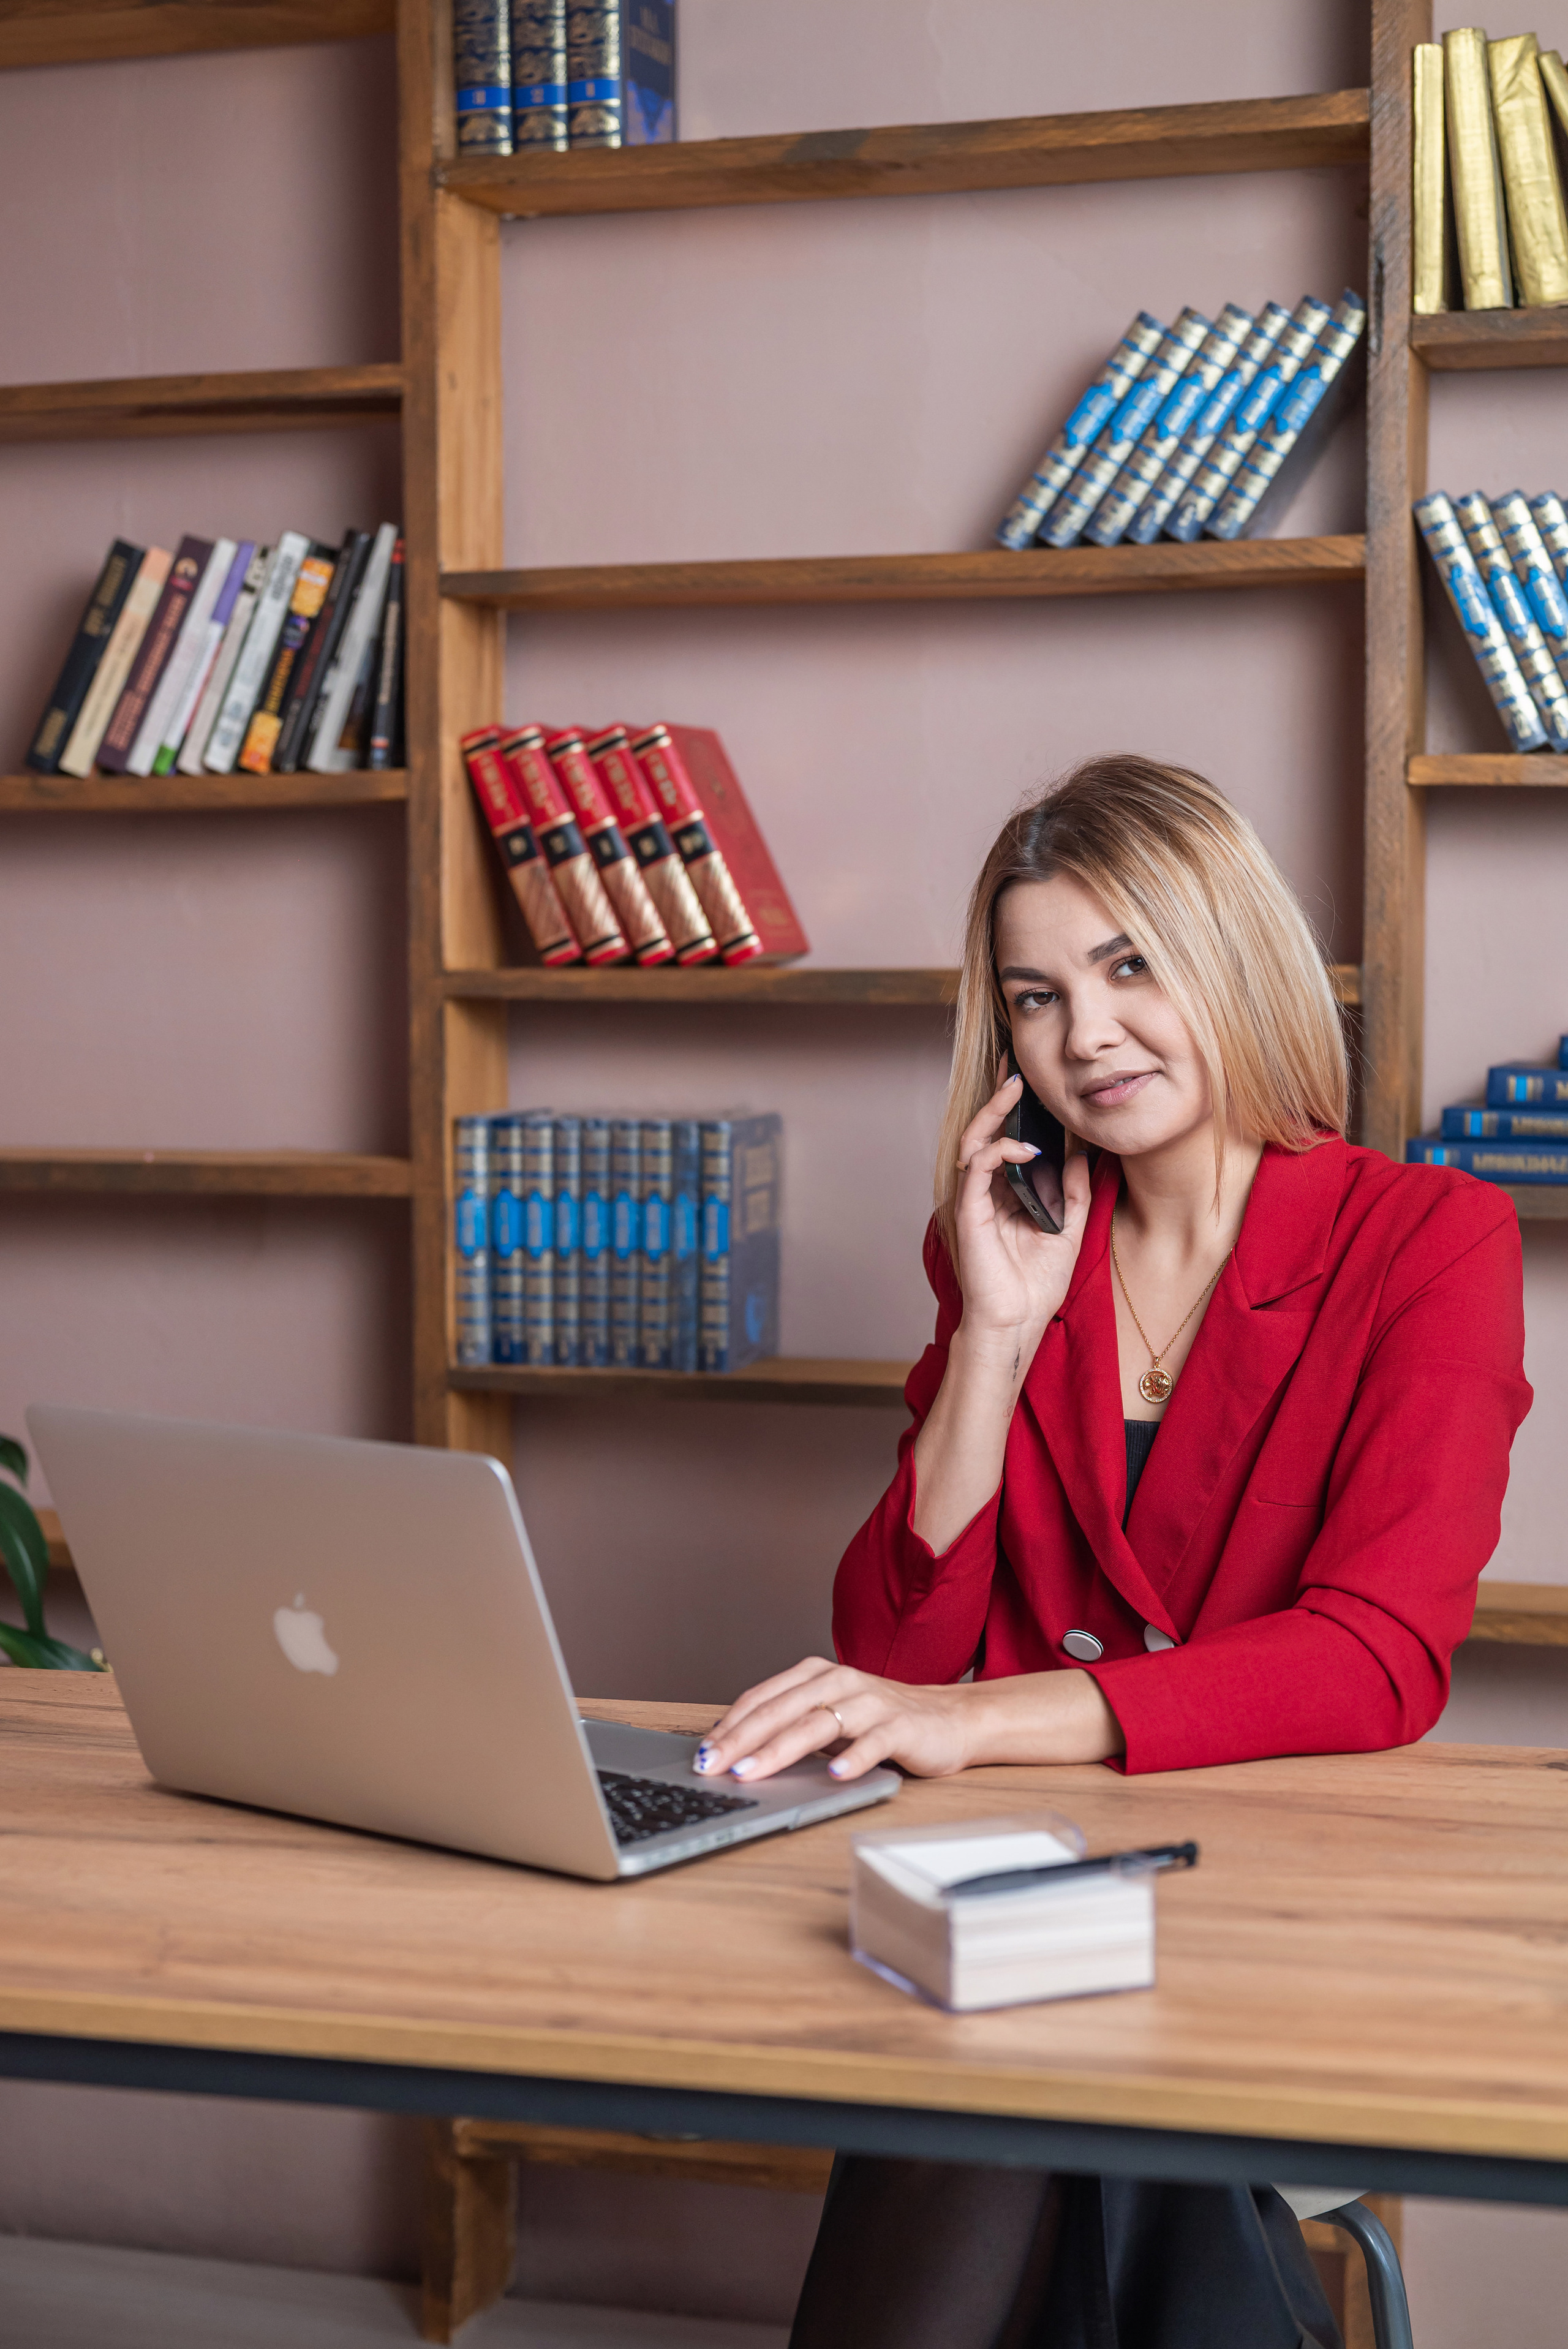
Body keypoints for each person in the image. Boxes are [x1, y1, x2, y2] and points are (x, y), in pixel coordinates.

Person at [693, 756, 1532, 2349]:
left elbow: (1381, 1653)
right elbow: (896, 1643)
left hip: (1288, 1898)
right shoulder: (1002, 1239)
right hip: (1036, 1890)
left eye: (1130, 963)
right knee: (1013, 2019)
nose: (1084, 1034)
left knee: (1004, 2044)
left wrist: (979, 1724)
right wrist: (997, 1336)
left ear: (1233, 955)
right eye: (1033, 994)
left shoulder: (1429, 1242)